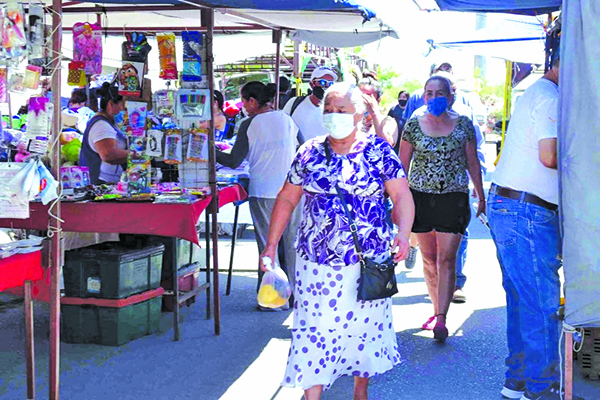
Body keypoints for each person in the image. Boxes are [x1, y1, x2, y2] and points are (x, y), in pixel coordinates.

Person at [261, 82, 414, 399]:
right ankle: (312, 395)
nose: (333, 116)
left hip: (367, 262)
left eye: (341, 111)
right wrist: (271, 245)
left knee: (361, 331)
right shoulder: (309, 152)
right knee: (314, 331)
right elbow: (287, 199)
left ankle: (360, 391)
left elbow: (401, 196)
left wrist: (403, 233)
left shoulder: (379, 152)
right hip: (315, 264)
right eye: (328, 111)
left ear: (360, 114)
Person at [488, 57, 577, 400]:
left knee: (523, 300)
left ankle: (519, 380)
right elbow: (550, 156)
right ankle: (542, 389)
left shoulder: (538, 92)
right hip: (527, 211)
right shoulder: (550, 97)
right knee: (541, 303)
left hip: (513, 207)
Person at [399, 75, 485, 342]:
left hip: (453, 198)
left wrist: (481, 196)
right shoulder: (413, 125)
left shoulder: (464, 125)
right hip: (420, 198)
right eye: (429, 93)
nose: (433, 98)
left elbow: (473, 163)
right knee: (428, 259)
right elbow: (401, 166)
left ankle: (442, 318)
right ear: (423, 96)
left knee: (446, 260)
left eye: (440, 93)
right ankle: (437, 309)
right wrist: (397, 202)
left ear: (450, 97)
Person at [216, 82, 302, 310]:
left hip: (264, 191)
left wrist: (210, 150)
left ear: (252, 101)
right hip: (293, 190)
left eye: (244, 100)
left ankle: (271, 300)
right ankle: (294, 297)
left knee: (267, 245)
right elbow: (303, 148)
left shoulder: (249, 124)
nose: (242, 106)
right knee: (291, 244)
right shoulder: (287, 119)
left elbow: (234, 160)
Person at [79, 82, 128, 185]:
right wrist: (137, 155)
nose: (124, 109)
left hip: (109, 183)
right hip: (101, 183)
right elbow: (109, 155)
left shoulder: (109, 123)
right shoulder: (101, 126)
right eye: (122, 105)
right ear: (111, 104)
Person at [402, 61, 472, 124]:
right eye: (429, 94)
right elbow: (407, 131)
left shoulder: (464, 113)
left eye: (447, 70)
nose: (434, 97)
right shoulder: (418, 114)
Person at [283, 66, 337, 140]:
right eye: (322, 82)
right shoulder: (294, 103)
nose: (326, 86)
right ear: (312, 84)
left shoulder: (337, 110)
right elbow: (282, 128)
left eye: (331, 83)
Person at [358, 76, 399, 149]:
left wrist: (375, 115)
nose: (363, 100)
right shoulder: (350, 120)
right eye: (360, 96)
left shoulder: (388, 121)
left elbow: (387, 145)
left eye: (367, 97)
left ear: (378, 100)